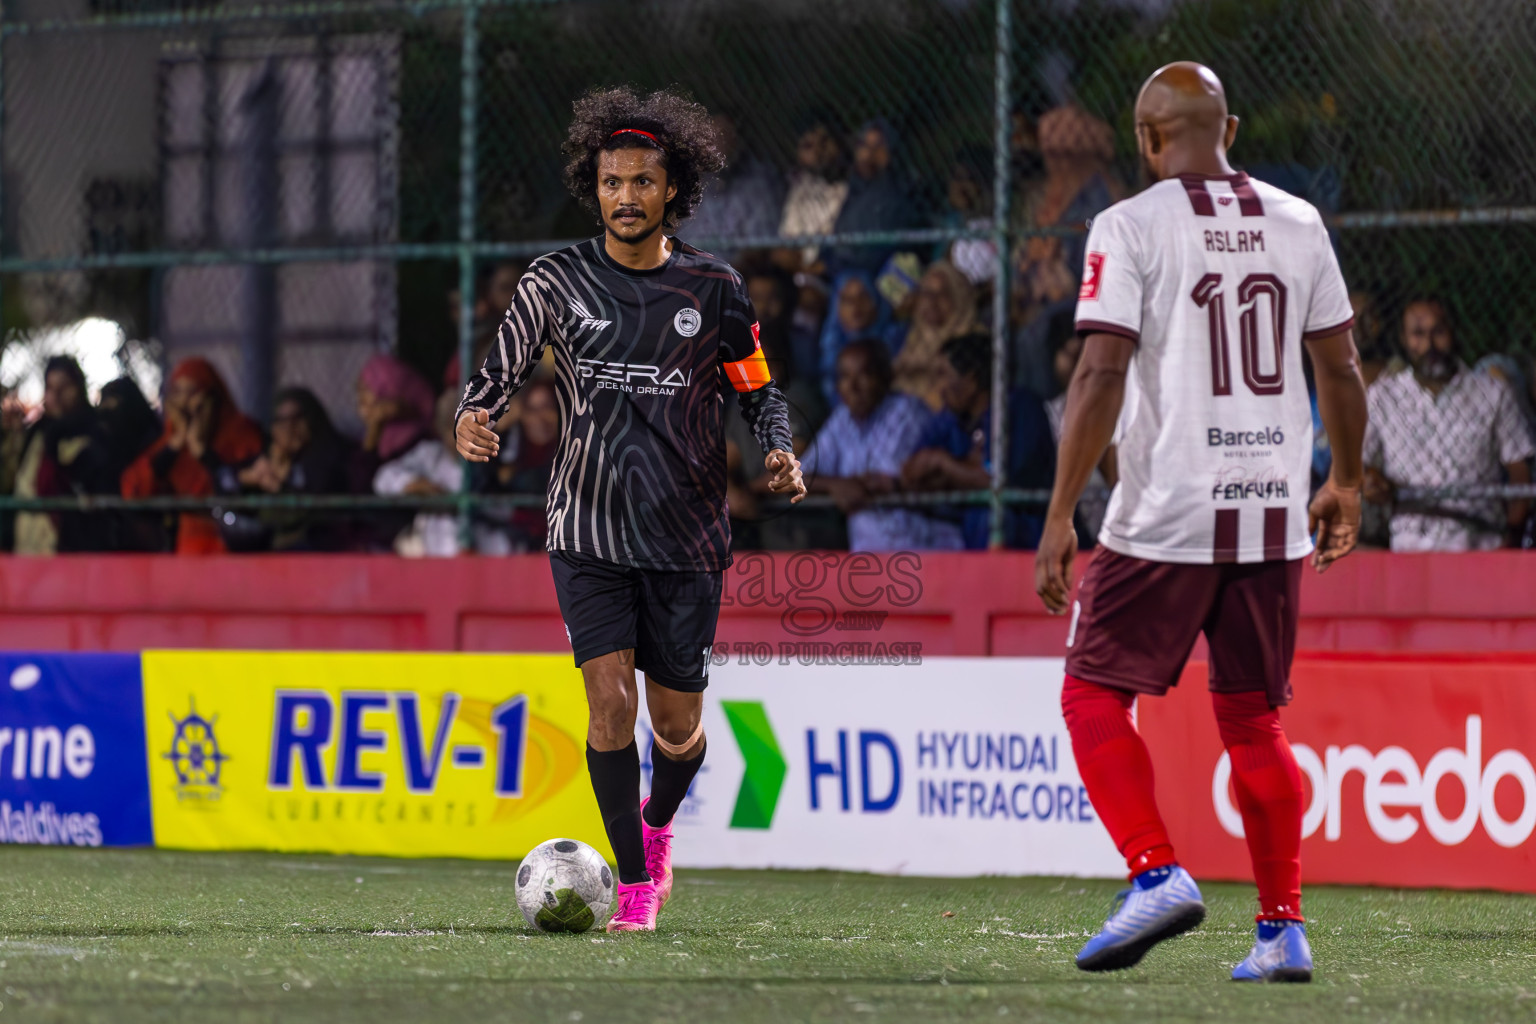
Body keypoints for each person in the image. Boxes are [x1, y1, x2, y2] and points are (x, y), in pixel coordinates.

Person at [1034, 63, 1367, 982]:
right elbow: (1338, 368)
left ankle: (1154, 870)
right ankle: (1282, 929)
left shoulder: (1129, 224)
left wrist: (1062, 514)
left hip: (1167, 510)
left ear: (1145, 137)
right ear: (1233, 126)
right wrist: (1347, 480)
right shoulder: (1300, 221)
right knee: (1254, 723)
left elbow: (1100, 375)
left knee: (1092, 691)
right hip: (1271, 507)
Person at [453, 86, 803, 932]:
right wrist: (474, 414)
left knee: (678, 732)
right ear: (594, 185)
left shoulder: (714, 288)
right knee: (611, 706)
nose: (626, 198)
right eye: (612, 182)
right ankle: (636, 886)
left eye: (643, 182)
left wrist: (780, 447)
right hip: (587, 530)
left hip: (686, 537)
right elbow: (494, 374)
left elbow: (759, 393)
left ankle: (654, 823)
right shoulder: (556, 281)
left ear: (672, 190)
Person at [1362, 299, 1533, 551]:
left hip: (1479, 545)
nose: (1430, 345)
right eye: (1418, 334)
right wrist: (1370, 480)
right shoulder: (1383, 397)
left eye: (1438, 332)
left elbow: (1521, 473)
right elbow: (1356, 467)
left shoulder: (1493, 393)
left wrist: (1510, 541)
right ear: (1403, 339)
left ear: (1454, 332)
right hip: (1409, 547)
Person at [900, 330, 1054, 549]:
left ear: (971, 379)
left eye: (943, 374)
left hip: (1030, 537)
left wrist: (943, 464)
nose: (937, 386)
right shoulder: (950, 417)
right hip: (967, 534)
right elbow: (911, 475)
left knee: (994, 515)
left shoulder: (1019, 406)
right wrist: (964, 470)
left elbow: (995, 478)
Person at [800, 339, 943, 550]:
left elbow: (879, 481)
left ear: (885, 377)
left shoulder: (906, 411)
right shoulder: (843, 418)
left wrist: (833, 483)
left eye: (864, 375)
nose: (853, 387)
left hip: (921, 550)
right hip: (869, 557)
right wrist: (833, 485)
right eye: (844, 377)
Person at [121, 358, 265, 554]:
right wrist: (176, 443)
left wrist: (203, 451)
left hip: (233, 546)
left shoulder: (242, 436)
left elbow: (238, 488)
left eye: (193, 392)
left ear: (212, 396)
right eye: (178, 392)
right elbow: (135, 491)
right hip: (187, 549)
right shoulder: (169, 443)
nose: (185, 403)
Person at [6, 356, 117, 554]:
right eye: (49, 388)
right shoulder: (37, 434)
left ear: (79, 388)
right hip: (28, 549)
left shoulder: (94, 434)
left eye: (64, 387)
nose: (55, 395)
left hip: (70, 552)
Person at [236, 387, 355, 552]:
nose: (290, 428)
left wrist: (279, 486)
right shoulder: (269, 459)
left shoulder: (331, 457)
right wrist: (247, 479)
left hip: (323, 547)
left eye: (297, 418)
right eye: (281, 421)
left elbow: (316, 512)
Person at [354, 353, 438, 550]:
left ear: (389, 392)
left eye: (367, 391)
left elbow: (365, 489)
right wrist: (374, 432)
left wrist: (376, 427)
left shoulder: (421, 446)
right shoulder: (377, 443)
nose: (361, 403)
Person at [678, 113, 783, 263]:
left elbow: (758, 248)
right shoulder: (694, 184)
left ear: (737, 141)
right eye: (709, 136)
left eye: (722, 136)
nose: (714, 144)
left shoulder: (757, 184)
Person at [827, 118, 924, 275]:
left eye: (878, 146)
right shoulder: (854, 191)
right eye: (864, 145)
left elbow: (876, 254)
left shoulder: (899, 193)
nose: (868, 154)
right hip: (843, 273)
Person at [892, 260, 978, 410]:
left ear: (959, 298)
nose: (931, 300)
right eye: (926, 292)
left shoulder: (972, 345)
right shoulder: (909, 339)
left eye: (942, 293)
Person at [818, 270, 906, 405]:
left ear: (876, 300)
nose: (855, 306)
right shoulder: (830, 347)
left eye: (863, 296)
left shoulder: (897, 340)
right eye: (847, 299)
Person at [777, 116, 848, 270]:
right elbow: (788, 237)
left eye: (823, 142)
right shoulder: (800, 186)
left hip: (830, 266)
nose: (817, 151)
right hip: (799, 264)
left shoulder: (847, 188)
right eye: (809, 145)